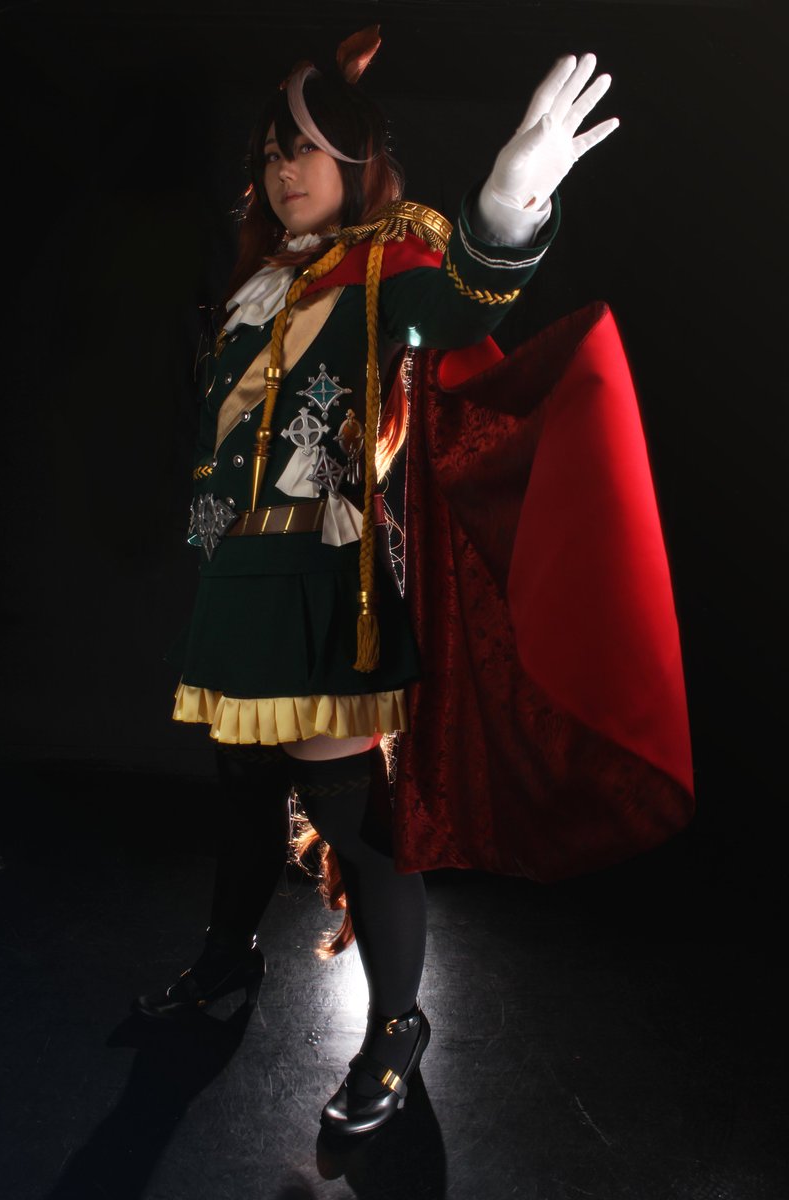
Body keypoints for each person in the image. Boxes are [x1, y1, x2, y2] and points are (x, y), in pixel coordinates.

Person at [133, 28, 623, 1137]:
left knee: (356, 828)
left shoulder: (381, 263)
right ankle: (225, 958)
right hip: (238, 586)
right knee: (241, 799)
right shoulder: (257, 283)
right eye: (271, 152)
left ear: (356, 163)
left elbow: (461, 306)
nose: (282, 170)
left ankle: (398, 1023)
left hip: (324, 590)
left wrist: (506, 211)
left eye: (305, 148)